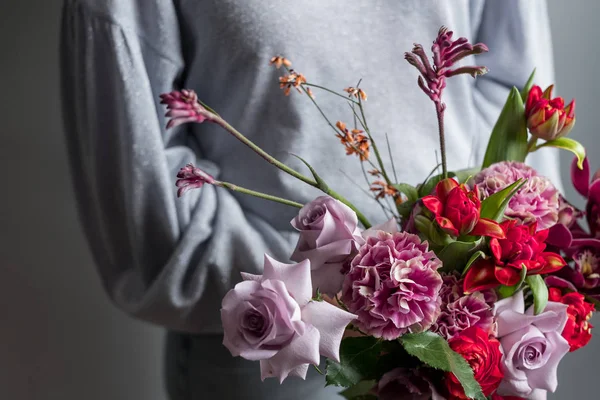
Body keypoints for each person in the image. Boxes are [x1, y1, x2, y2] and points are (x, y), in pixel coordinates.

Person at [59, 0, 560, 398]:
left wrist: (495, 266)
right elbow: (143, 188)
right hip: (271, 358)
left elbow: (514, 94)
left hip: (466, 340)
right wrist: (314, 294)